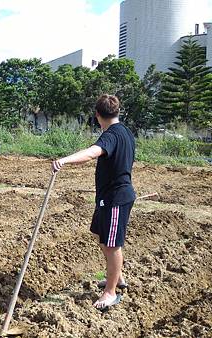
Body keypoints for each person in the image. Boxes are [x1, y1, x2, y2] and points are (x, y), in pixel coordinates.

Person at [51, 94, 136, 310]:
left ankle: (110, 292)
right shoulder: (126, 131)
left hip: (116, 198)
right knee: (102, 239)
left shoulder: (112, 135)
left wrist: (64, 160)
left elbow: (92, 153)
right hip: (106, 198)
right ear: (117, 111)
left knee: (112, 244)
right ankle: (118, 278)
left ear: (97, 115)